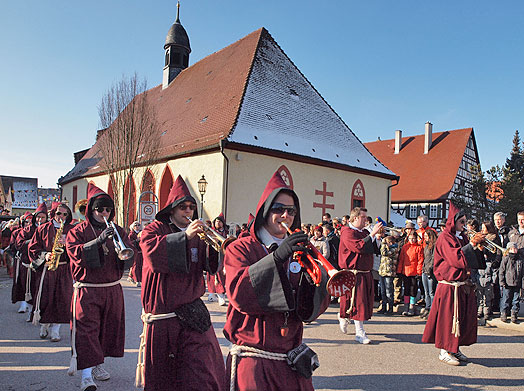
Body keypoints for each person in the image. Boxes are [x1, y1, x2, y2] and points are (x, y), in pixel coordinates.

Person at [223, 171, 330, 390]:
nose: (286, 215)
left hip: (291, 359)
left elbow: (307, 311)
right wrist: (278, 257)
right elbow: (239, 293)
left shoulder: (301, 251)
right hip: (254, 359)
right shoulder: (240, 248)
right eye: (278, 209)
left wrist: (314, 285)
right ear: (265, 211)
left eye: (291, 211)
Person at [137, 175, 225, 391]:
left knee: (202, 372)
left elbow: (209, 267)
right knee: (165, 378)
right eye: (183, 207)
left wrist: (215, 248)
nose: (188, 212)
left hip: (192, 313)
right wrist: (184, 237)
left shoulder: (197, 234)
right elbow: (152, 254)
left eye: (191, 207)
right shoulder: (154, 229)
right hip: (164, 317)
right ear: (172, 210)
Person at [66, 183, 135, 391]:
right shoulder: (77, 231)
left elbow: (129, 254)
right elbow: (75, 254)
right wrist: (97, 241)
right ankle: (86, 376)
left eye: (107, 210)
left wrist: (122, 246)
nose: (104, 213)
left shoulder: (118, 230)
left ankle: (97, 364)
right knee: (87, 330)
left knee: (107, 329)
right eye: (99, 209)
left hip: (112, 288)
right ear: (91, 210)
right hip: (88, 289)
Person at [422, 203, 484, 366]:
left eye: (465, 222)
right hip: (449, 285)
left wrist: (477, 248)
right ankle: (444, 350)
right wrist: (471, 245)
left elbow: (470, 259)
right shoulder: (445, 237)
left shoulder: (461, 236)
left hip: (461, 284)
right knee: (448, 319)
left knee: (461, 318)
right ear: (453, 222)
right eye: (461, 222)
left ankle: (454, 348)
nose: (464, 225)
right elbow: (456, 259)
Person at [28, 203, 74, 342]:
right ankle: (44, 325)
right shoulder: (43, 229)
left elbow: (78, 249)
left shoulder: (72, 229)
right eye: (59, 213)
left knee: (61, 299)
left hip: (64, 269)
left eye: (65, 214)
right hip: (47, 269)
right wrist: (44, 255)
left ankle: (56, 330)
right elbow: (33, 248)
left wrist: (68, 244)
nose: (61, 217)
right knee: (45, 299)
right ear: (53, 213)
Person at [338, 207, 382, 343]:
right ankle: (359, 331)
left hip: (364, 272)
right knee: (355, 301)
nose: (366, 220)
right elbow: (358, 247)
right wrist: (372, 235)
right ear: (355, 218)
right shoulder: (347, 232)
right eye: (363, 217)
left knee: (362, 301)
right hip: (352, 273)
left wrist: (377, 238)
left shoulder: (363, 232)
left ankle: (351, 322)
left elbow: (372, 249)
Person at [15, 203, 48, 321]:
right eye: (38, 217)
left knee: (41, 290)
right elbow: (18, 244)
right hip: (28, 265)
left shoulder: (48, 230)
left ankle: (39, 313)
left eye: (43, 217)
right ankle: (30, 311)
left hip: (42, 266)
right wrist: (32, 242)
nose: (40, 220)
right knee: (28, 290)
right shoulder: (28, 229)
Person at [476, 221, 501, 321]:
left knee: (488, 290)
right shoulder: (482, 236)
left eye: (484, 227)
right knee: (480, 290)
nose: (482, 229)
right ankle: (480, 310)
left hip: (489, 264)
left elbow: (496, 251)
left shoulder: (493, 237)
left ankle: (487, 311)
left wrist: (496, 260)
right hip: (481, 264)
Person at [397, 232, 424, 316]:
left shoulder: (419, 248)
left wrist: (419, 272)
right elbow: (401, 259)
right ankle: (406, 306)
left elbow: (420, 261)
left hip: (414, 271)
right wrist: (399, 271)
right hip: (405, 271)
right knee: (406, 289)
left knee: (413, 290)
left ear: (416, 239)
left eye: (413, 239)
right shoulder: (405, 247)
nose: (412, 240)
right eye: (410, 239)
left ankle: (412, 307)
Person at [11, 212, 32, 313]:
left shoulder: (37, 231)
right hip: (21, 261)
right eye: (27, 221)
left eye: (30, 221)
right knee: (22, 282)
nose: (28, 224)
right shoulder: (17, 232)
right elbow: (13, 246)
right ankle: (23, 303)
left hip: (33, 262)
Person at [206, 213, 228, 306]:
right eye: (216, 221)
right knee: (212, 274)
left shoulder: (226, 232)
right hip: (213, 256)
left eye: (219, 221)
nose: (217, 223)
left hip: (223, 256)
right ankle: (212, 294)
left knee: (221, 276)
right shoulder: (211, 232)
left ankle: (220, 295)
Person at [499, 242, 523, 323]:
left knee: (516, 300)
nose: (514, 250)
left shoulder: (520, 259)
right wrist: (502, 282)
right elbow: (501, 271)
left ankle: (514, 315)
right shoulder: (506, 258)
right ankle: (504, 313)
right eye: (512, 249)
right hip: (507, 283)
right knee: (506, 299)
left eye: (515, 248)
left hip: (517, 283)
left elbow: (522, 273)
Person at [378, 235, 399, 315]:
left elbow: (384, 253)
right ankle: (383, 307)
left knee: (389, 292)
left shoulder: (394, 249)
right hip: (382, 271)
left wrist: (383, 243)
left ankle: (390, 308)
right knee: (383, 291)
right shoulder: (387, 248)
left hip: (389, 272)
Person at [420, 230, 438, 319]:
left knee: (432, 292)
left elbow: (433, 259)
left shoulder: (434, 246)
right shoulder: (426, 246)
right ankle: (427, 308)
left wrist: (430, 269)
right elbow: (425, 258)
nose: (425, 238)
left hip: (430, 272)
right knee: (426, 292)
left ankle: (432, 309)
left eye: (427, 236)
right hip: (424, 270)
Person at [128, 221, 143, 287]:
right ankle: (137, 280)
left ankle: (134, 277)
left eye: (138, 225)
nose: (137, 226)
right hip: (135, 252)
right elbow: (129, 243)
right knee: (136, 266)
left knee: (141, 266)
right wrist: (136, 241)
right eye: (135, 225)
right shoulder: (131, 234)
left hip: (141, 252)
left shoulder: (142, 233)